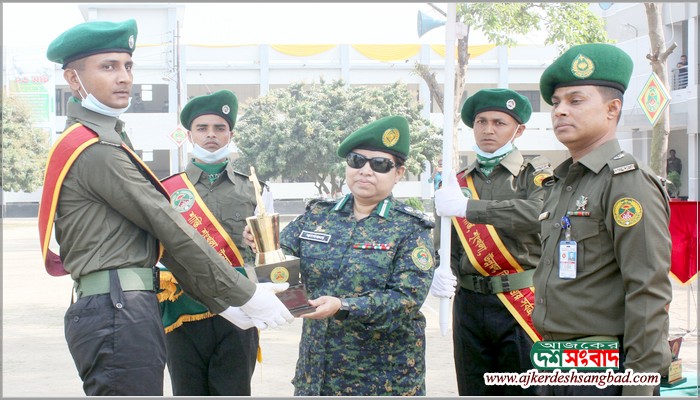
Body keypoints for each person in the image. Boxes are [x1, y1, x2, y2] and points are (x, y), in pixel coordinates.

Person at [39, 19, 293, 396]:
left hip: (124, 306)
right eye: (108, 67)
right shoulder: (96, 151)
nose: (123, 77)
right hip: (117, 310)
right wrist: (246, 294)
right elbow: (168, 227)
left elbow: (162, 243)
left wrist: (222, 303)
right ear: (74, 80)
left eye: (128, 66)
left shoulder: (107, 141)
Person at [247, 115, 436, 395]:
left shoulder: (410, 228)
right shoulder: (317, 216)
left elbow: (406, 300)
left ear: (398, 173)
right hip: (317, 375)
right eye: (357, 161)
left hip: (383, 379)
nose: (366, 171)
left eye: (380, 164)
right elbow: (283, 262)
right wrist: (263, 245)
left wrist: (342, 305)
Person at [535, 43, 672, 396]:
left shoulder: (626, 181)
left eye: (575, 101)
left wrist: (639, 386)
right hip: (555, 363)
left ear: (612, 109)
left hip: (603, 372)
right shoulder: (564, 182)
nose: (560, 111)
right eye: (556, 103)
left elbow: (648, 289)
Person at [431, 88, 552, 396]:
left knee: (527, 389)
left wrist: (470, 208)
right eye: (481, 121)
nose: (488, 129)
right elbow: (447, 239)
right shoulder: (456, 181)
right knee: (474, 388)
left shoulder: (533, 174)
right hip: (470, 303)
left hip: (521, 300)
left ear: (519, 129)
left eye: (499, 122)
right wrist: (439, 269)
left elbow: (540, 212)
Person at [157, 90, 274, 395]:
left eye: (219, 128)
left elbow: (272, 254)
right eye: (202, 128)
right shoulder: (165, 190)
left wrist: (260, 247)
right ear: (189, 135)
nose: (211, 135)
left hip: (239, 310)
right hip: (183, 311)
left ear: (230, 134)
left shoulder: (257, 191)